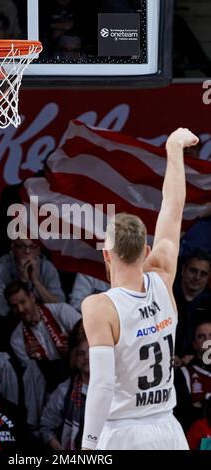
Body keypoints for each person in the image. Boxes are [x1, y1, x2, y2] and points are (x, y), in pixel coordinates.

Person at [81, 128, 199, 450]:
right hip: (169, 429)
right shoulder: (163, 276)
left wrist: (89, 447)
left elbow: (103, 385)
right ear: (145, 251)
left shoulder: (99, 307)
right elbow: (173, 206)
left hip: (124, 433)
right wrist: (173, 148)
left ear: (106, 255)